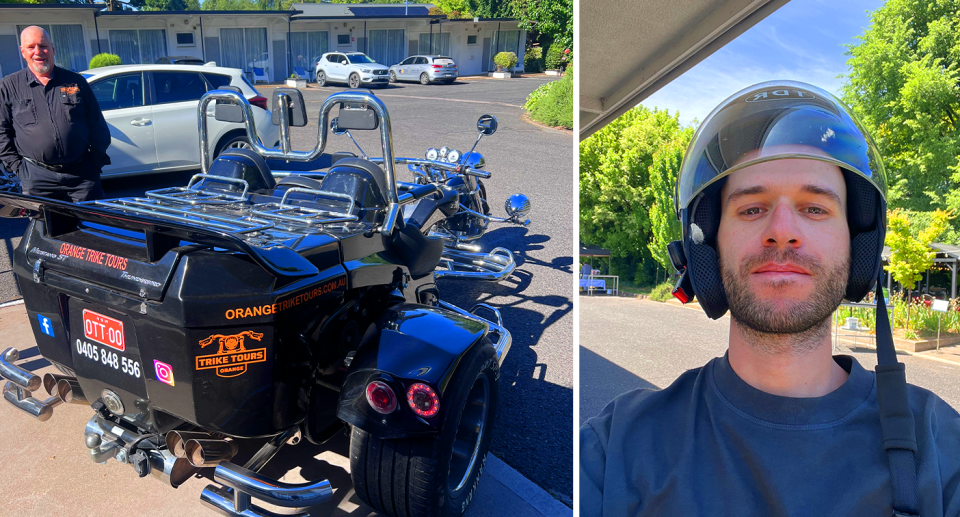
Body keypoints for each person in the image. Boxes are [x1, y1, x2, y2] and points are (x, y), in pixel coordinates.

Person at [579, 81, 960, 516]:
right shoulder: (617, 448)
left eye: (815, 208)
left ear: (860, 247)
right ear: (706, 246)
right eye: (752, 208)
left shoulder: (941, 447)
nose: (782, 229)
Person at [0, 26, 111, 202]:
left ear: (53, 49)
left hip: (82, 176)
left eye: (43, 46)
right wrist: (18, 168)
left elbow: (97, 125)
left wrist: (94, 162)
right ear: (23, 51)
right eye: (31, 47)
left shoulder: (76, 81)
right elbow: (2, 132)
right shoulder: (8, 86)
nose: (38, 52)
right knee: (48, 229)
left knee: (92, 227)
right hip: (37, 179)